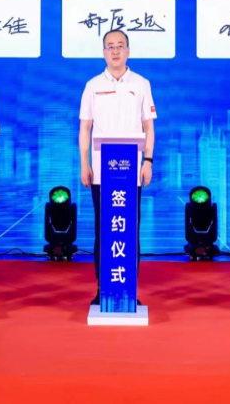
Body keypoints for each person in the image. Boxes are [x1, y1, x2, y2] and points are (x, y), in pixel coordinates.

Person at [79, 30, 156, 305]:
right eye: (110, 46)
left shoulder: (141, 84)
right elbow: (85, 128)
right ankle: (103, 287)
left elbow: (148, 127)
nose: (115, 51)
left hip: (131, 171)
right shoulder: (92, 85)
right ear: (103, 52)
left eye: (120, 46)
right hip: (101, 171)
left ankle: (129, 288)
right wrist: (84, 163)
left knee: (129, 229)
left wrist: (148, 161)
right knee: (104, 229)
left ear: (128, 51)